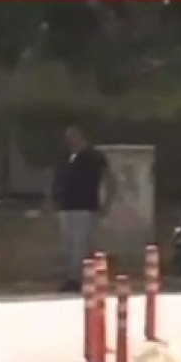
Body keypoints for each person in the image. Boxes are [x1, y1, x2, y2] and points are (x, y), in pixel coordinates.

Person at [50, 125, 113, 292]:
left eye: (73, 136)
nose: (70, 141)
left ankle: (76, 279)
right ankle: (72, 277)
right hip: (66, 207)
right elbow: (57, 180)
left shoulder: (94, 156)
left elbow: (109, 179)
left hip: (84, 206)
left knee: (80, 245)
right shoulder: (66, 157)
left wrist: (106, 203)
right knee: (68, 245)